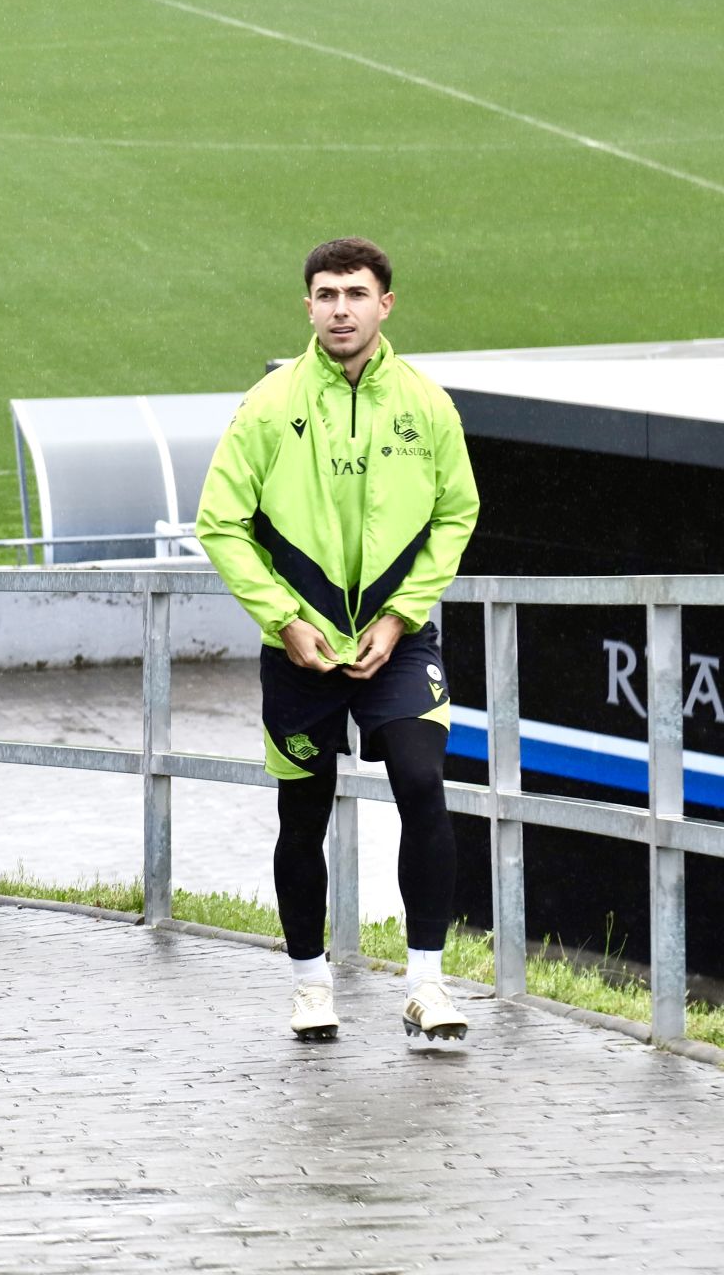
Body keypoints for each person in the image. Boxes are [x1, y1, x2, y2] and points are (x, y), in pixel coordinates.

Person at [195, 237, 480, 1044]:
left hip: (400, 639)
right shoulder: (267, 403)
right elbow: (219, 521)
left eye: (356, 294)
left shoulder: (427, 404)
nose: (341, 308)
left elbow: (457, 513)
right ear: (308, 306)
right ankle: (310, 986)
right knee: (303, 811)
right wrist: (283, 620)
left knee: (423, 784)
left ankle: (426, 983)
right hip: (300, 647)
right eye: (326, 294)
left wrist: (400, 616)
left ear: (386, 304)